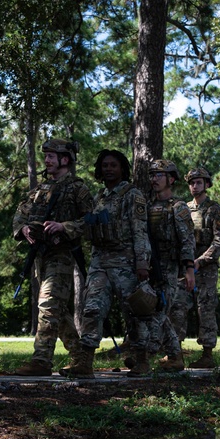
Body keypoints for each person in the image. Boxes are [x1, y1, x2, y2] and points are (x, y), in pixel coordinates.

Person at [11, 139, 94, 376]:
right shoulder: (39, 190)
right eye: (45, 156)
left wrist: (64, 226)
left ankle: (41, 361)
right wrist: (24, 230)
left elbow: (91, 222)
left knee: (47, 305)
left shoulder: (78, 188)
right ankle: (80, 357)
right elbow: (20, 216)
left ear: (65, 159)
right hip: (40, 256)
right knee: (56, 309)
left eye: (51, 156)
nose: (46, 160)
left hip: (62, 255)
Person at [68, 149, 152, 378]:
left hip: (126, 263)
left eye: (113, 165)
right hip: (101, 262)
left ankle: (142, 359)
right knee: (92, 309)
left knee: (133, 313)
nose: (108, 169)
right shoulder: (99, 198)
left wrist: (142, 263)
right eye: (105, 165)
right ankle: (85, 362)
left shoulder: (132, 195)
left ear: (122, 168)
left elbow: (139, 230)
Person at [144, 159, 195, 372]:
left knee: (159, 310)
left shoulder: (178, 207)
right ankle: (175, 356)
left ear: (170, 179)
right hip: (149, 266)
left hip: (169, 266)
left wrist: (189, 268)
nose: (154, 179)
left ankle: (145, 355)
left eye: (159, 175)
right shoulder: (147, 206)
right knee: (154, 310)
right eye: (152, 175)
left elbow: (187, 239)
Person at [177, 167, 220, 369]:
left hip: (206, 268)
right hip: (185, 265)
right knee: (178, 305)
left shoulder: (216, 210)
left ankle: (207, 353)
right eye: (191, 182)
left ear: (207, 184)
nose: (194, 186)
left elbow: (219, 241)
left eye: (198, 182)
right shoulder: (183, 209)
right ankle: (176, 352)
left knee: (205, 307)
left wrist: (200, 261)